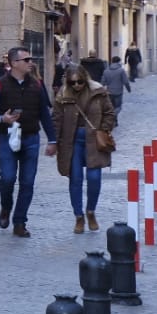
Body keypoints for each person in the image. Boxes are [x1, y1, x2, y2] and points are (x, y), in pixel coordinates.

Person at [0, 46, 58, 237]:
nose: (30, 62)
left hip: (31, 138)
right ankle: (6, 207)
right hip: (8, 137)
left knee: (27, 182)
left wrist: (52, 140)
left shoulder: (37, 85)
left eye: (30, 59)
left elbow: (44, 114)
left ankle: (19, 222)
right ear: (14, 63)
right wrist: (2, 118)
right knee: (8, 177)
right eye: (26, 60)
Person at [53, 66, 116, 233]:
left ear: (85, 79)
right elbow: (56, 119)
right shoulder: (62, 95)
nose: (76, 85)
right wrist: (54, 141)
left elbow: (109, 113)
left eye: (80, 82)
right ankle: (78, 216)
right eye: (72, 82)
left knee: (94, 178)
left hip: (94, 141)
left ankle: (91, 211)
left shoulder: (98, 92)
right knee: (75, 179)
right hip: (71, 142)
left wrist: (104, 128)